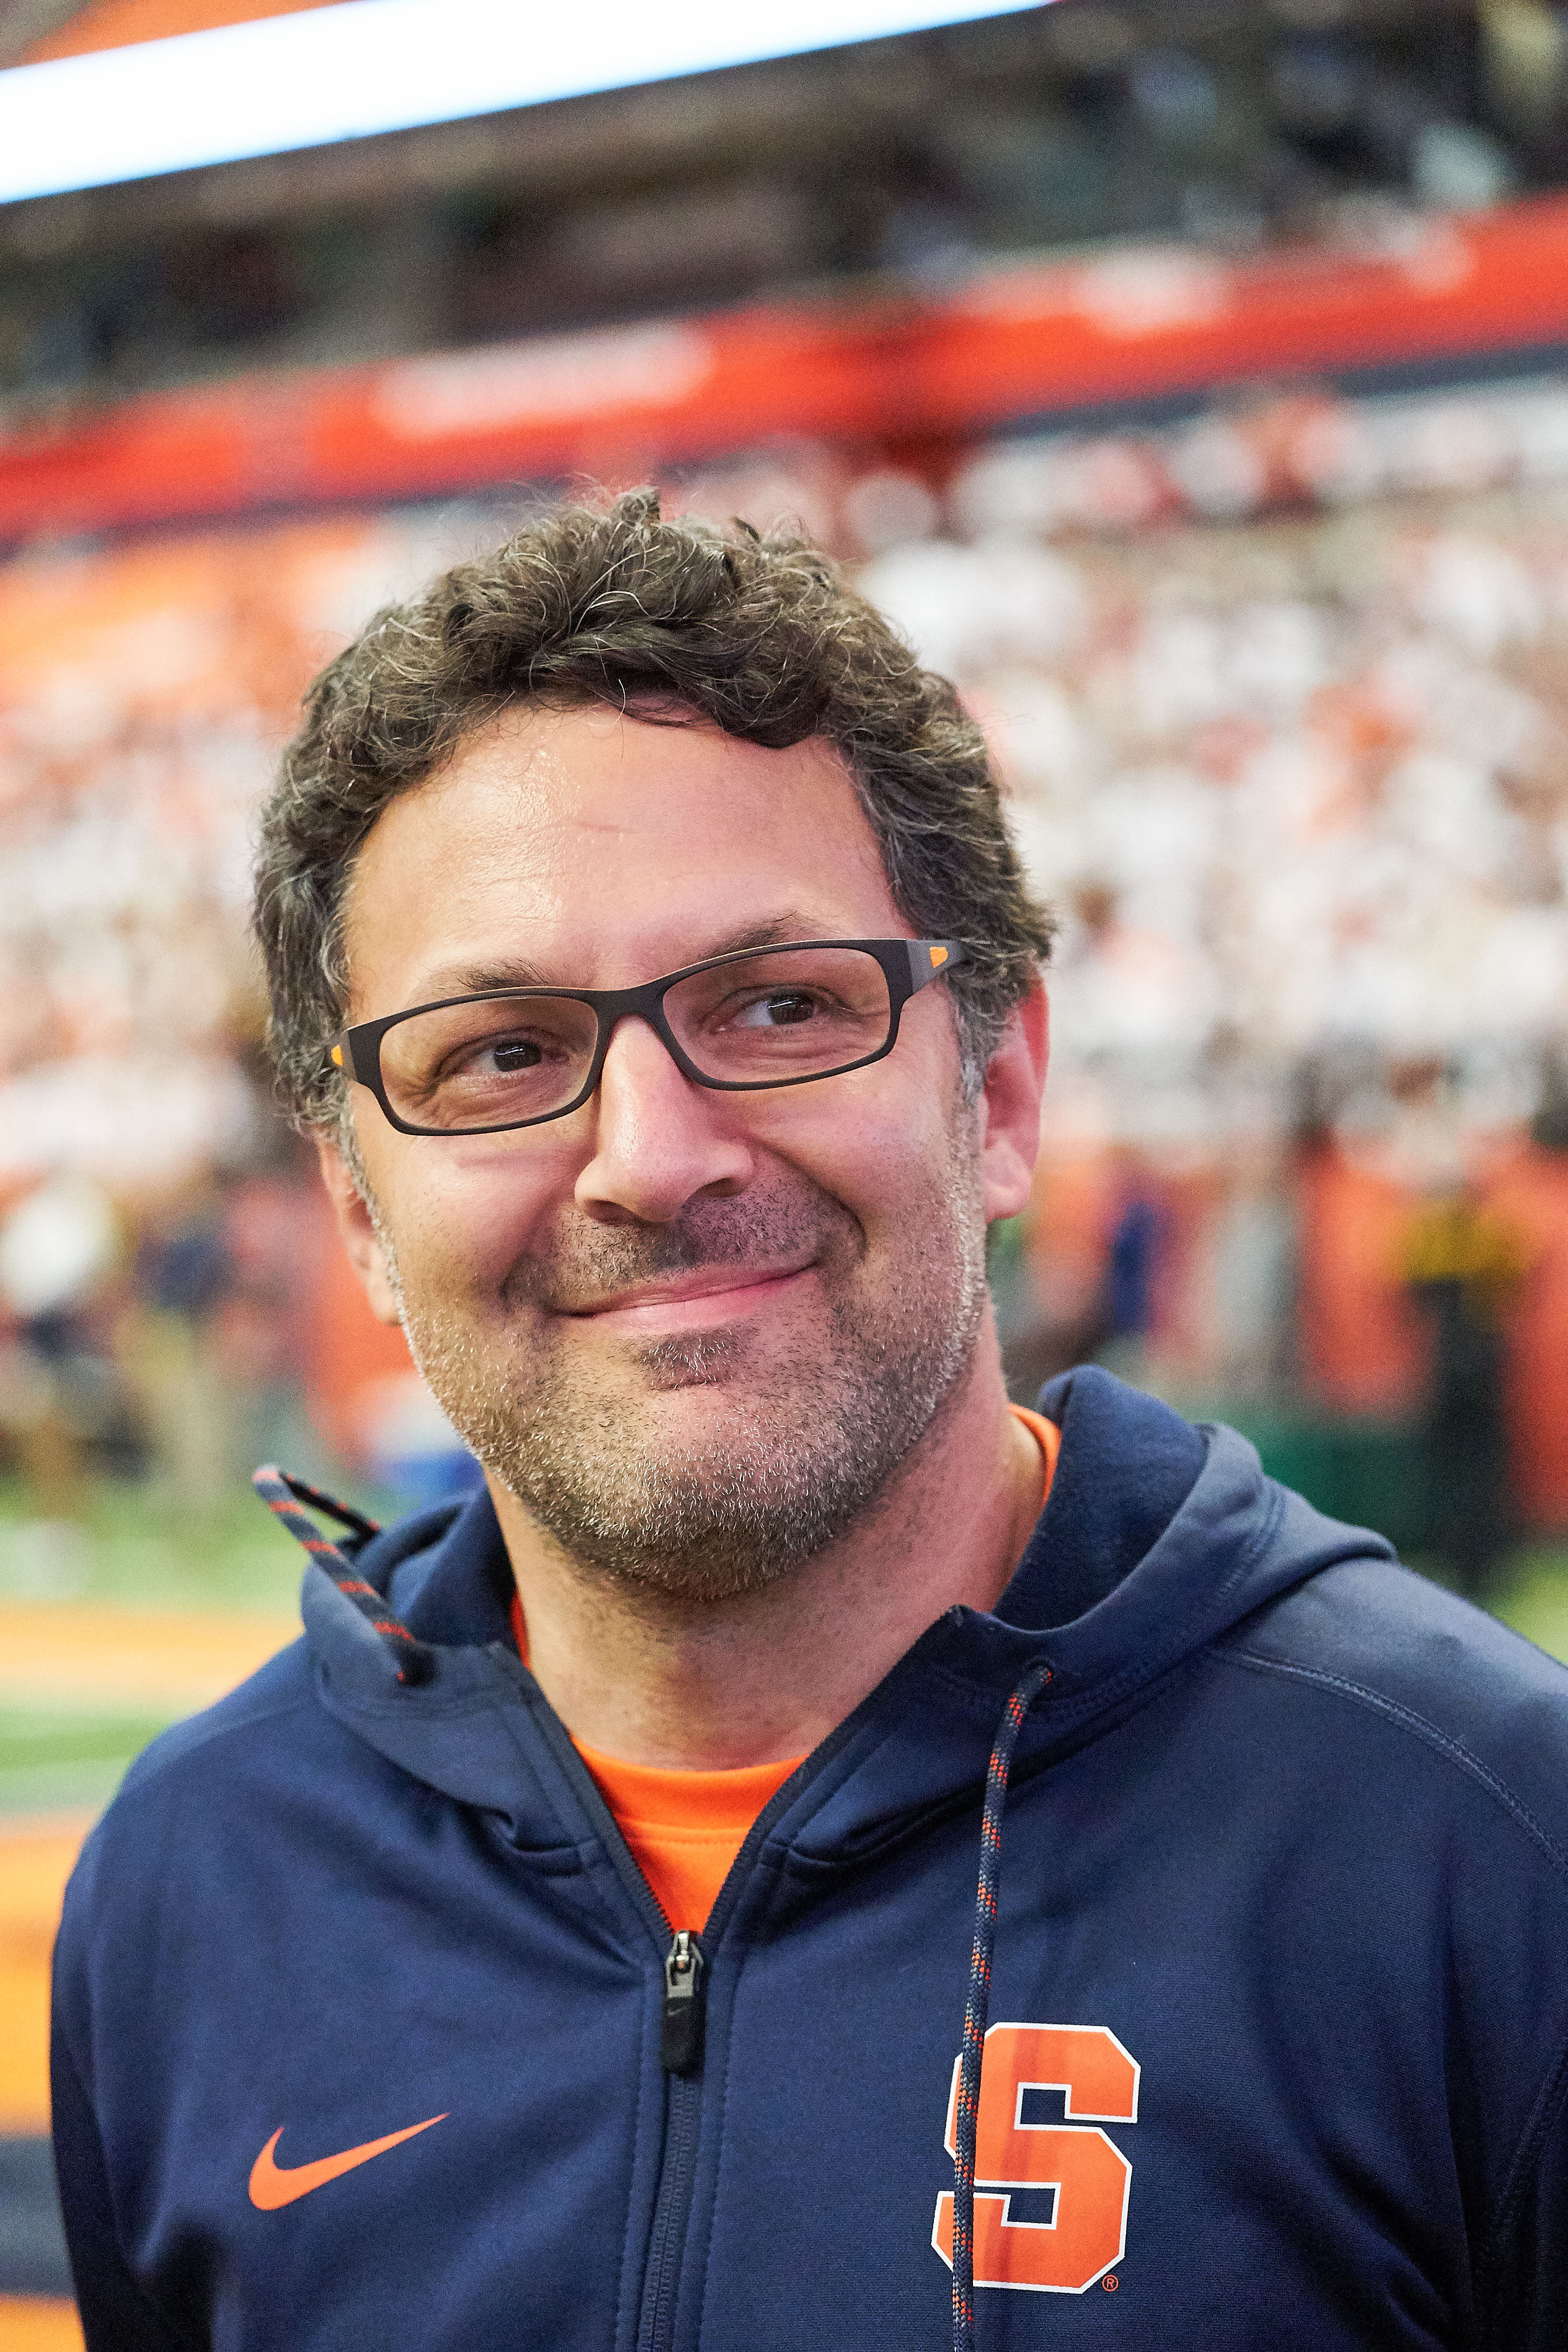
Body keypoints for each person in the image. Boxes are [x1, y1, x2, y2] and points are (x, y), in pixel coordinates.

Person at [51, 491, 1568, 2351]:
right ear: (359, 1212)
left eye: (777, 1007)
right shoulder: (197, 1876)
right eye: (502, 1053)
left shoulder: (1485, 1848)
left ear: (998, 1092)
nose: (655, 1158)